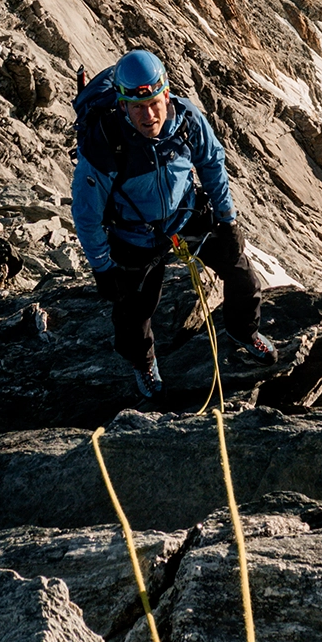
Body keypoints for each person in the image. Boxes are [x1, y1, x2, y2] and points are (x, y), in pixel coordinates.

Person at [71, 49, 274, 399]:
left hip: (185, 213)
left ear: (166, 94)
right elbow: (86, 215)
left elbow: (212, 163)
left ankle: (243, 330)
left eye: (154, 102)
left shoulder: (187, 119)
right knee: (134, 309)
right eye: (137, 107)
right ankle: (142, 360)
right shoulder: (105, 144)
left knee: (240, 270)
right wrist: (103, 268)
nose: (148, 115)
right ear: (122, 106)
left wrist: (227, 221)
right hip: (134, 233)